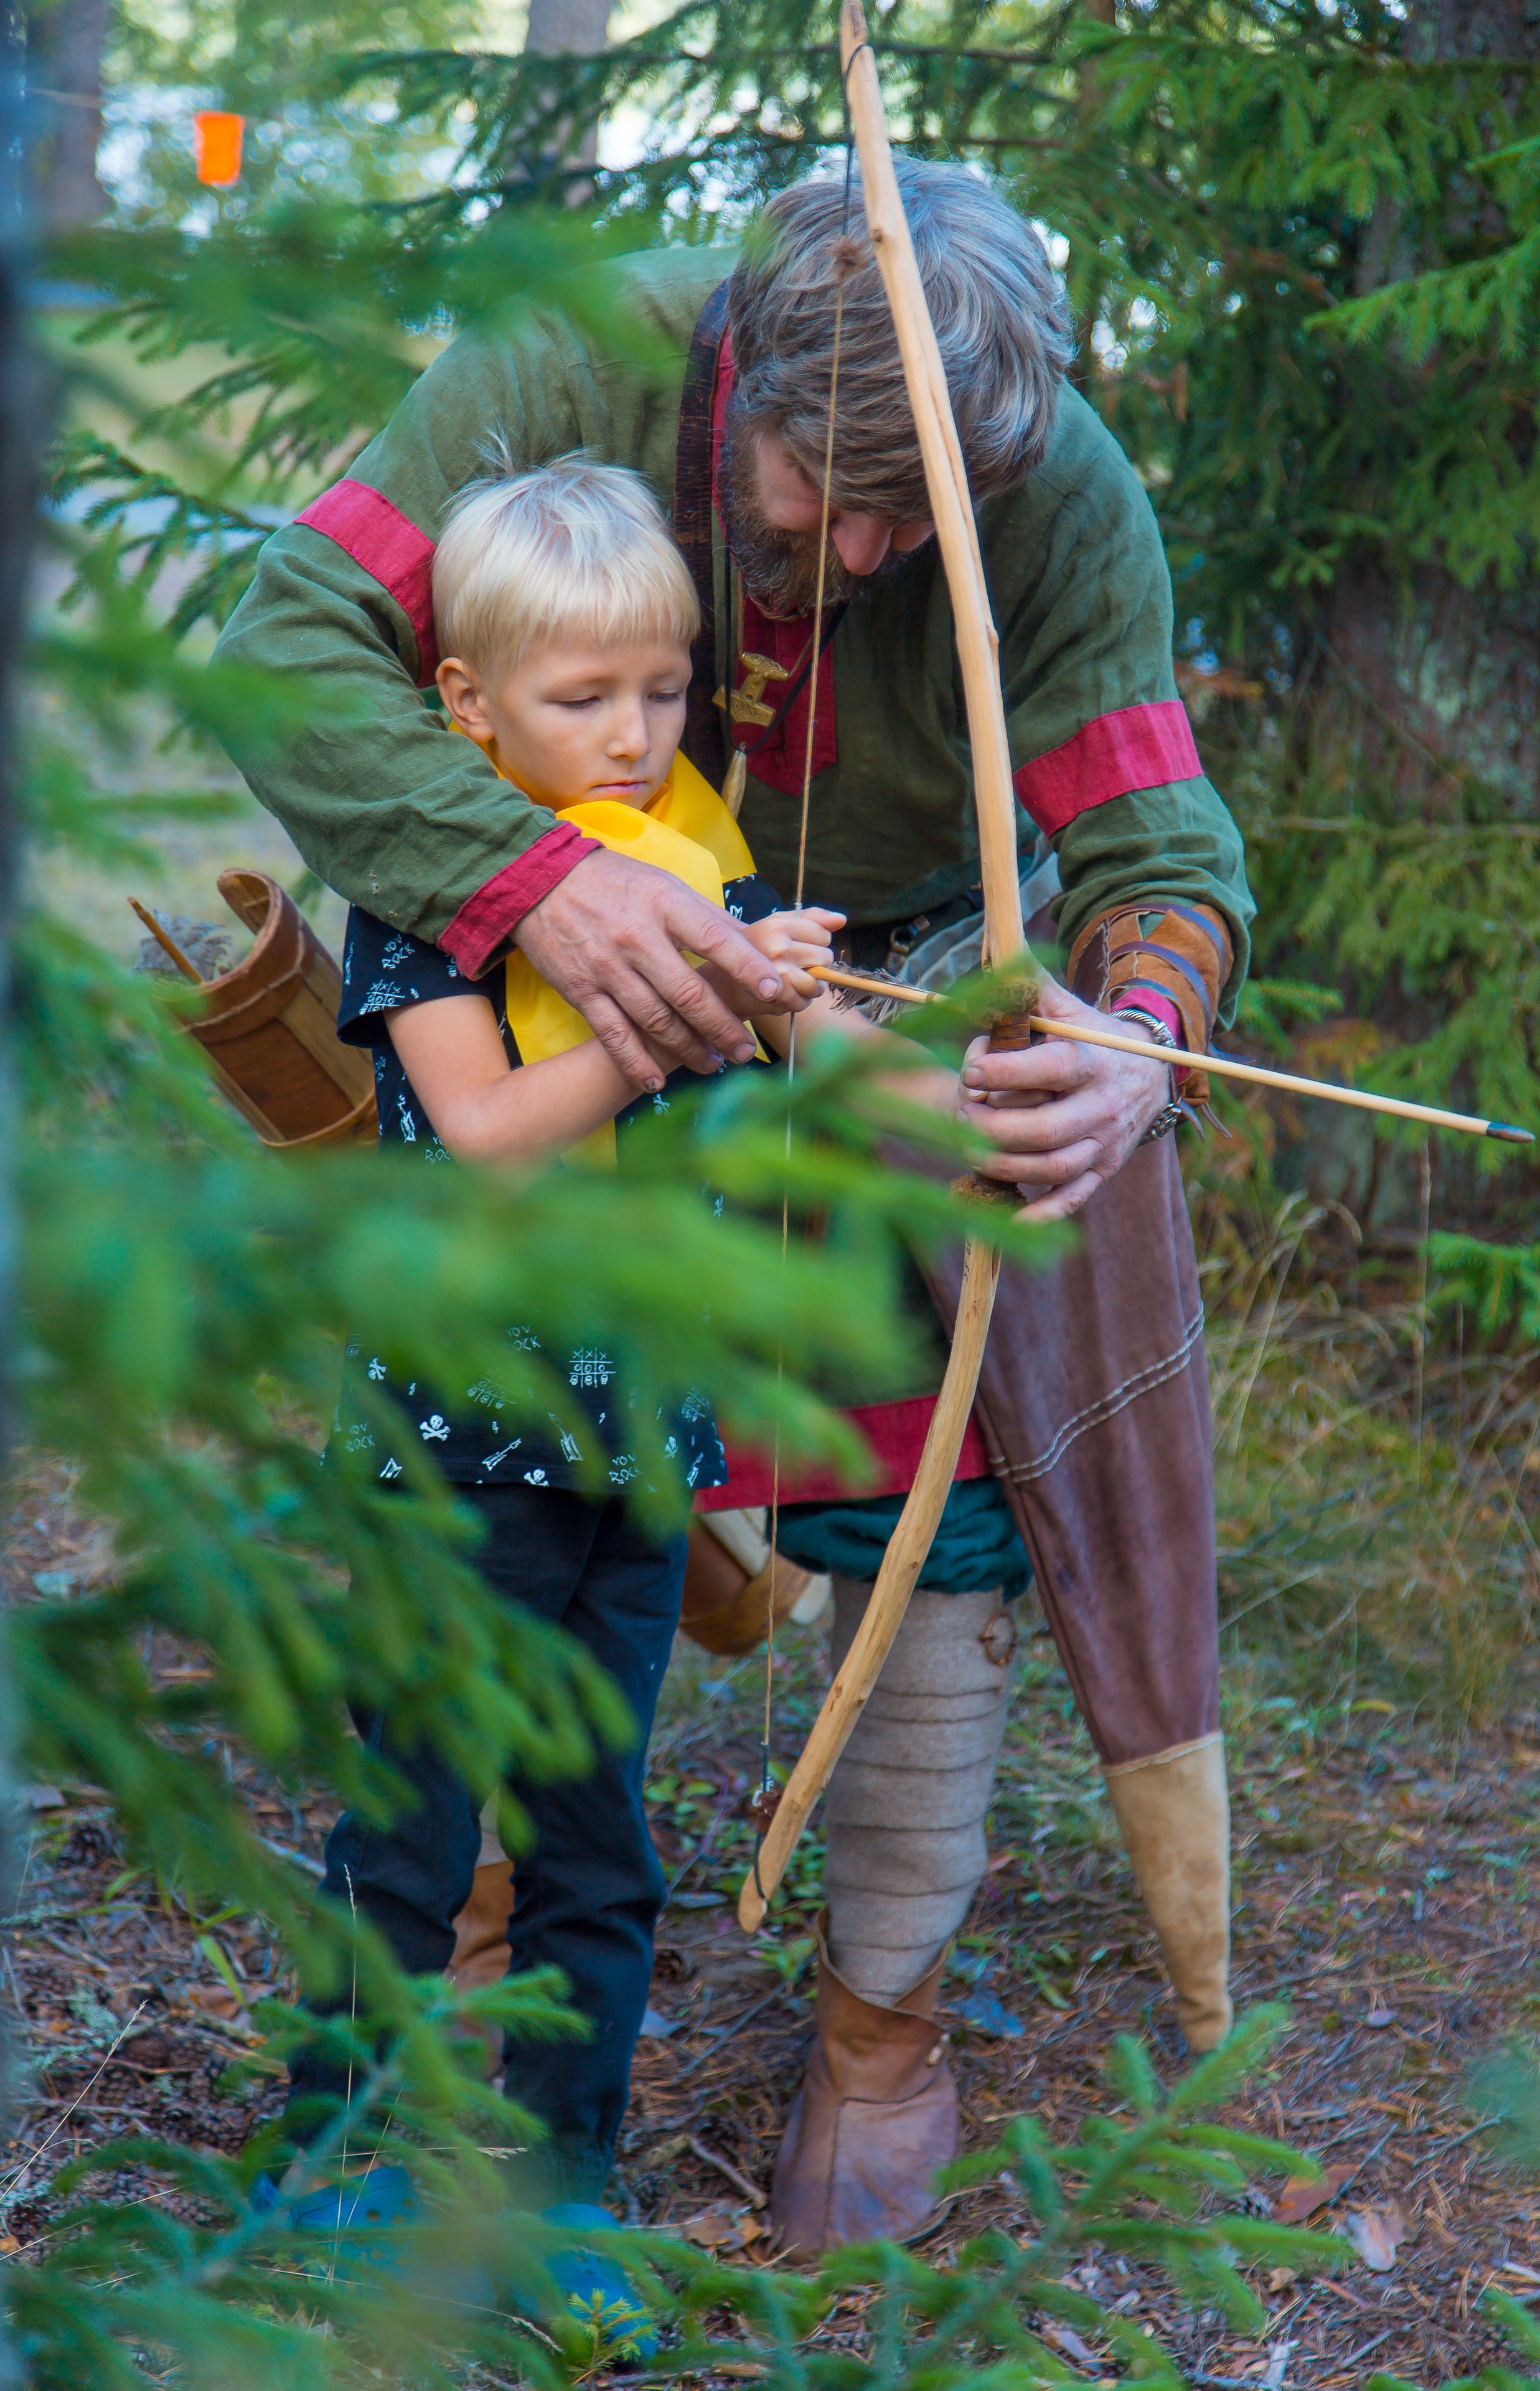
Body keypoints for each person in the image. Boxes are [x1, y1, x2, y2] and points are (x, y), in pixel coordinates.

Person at [215, 159, 1256, 2256]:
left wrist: (1136, 1033)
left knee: (924, 1454)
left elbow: (1158, 844)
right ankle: (459, 1946)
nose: (856, 550)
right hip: (538, 939)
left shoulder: (1051, 487)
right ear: (739, 373)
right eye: (815, 488)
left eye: (910, 516)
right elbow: (291, 647)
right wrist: (541, 884)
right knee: (492, 1505)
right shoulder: (575, 359)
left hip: (885, 989)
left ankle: (882, 2021)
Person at [290, 456, 840, 2220]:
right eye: (581, 697)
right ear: (468, 701)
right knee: (414, 1835)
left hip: (635, 1445)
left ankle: (563, 2192)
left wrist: (807, 998)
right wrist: (682, 1020)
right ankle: (319, 2171)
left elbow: (826, 1083)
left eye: (664, 691)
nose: (631, 734)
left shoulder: (694, 861)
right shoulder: (431, 895)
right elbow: (485, 1141)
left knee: (595, 1839)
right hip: (460, 1446)